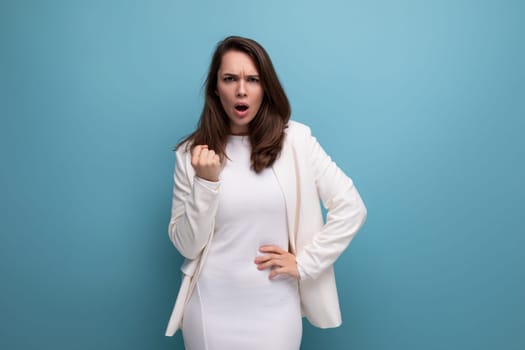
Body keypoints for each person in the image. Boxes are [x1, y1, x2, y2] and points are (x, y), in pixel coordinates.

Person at [164, 35, 367, 350]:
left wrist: (306, 263)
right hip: (210, 309)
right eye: (230, 79)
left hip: (275, 309)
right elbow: (187, 246)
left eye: (253, 80)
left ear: (265, 88)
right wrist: (205, 183)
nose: (241, 90)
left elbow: (352, 207)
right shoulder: (190, 154)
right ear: (216, 88)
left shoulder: (296, 142)